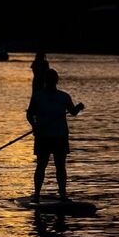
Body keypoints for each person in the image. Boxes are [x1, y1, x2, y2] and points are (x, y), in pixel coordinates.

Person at [26, 69, 84, 202]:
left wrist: (79, 107)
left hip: (60, 136)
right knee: (41, 165)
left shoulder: (64, 97)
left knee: (60, 166)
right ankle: (36, 195)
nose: (51, 82)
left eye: (53, 80)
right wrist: (34, 126)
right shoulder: (38, 96)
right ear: (47, 81)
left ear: (56, 81)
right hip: (43, 136)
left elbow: (73, 112)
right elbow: (30, 114)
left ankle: (62, 195)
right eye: (49, 80)